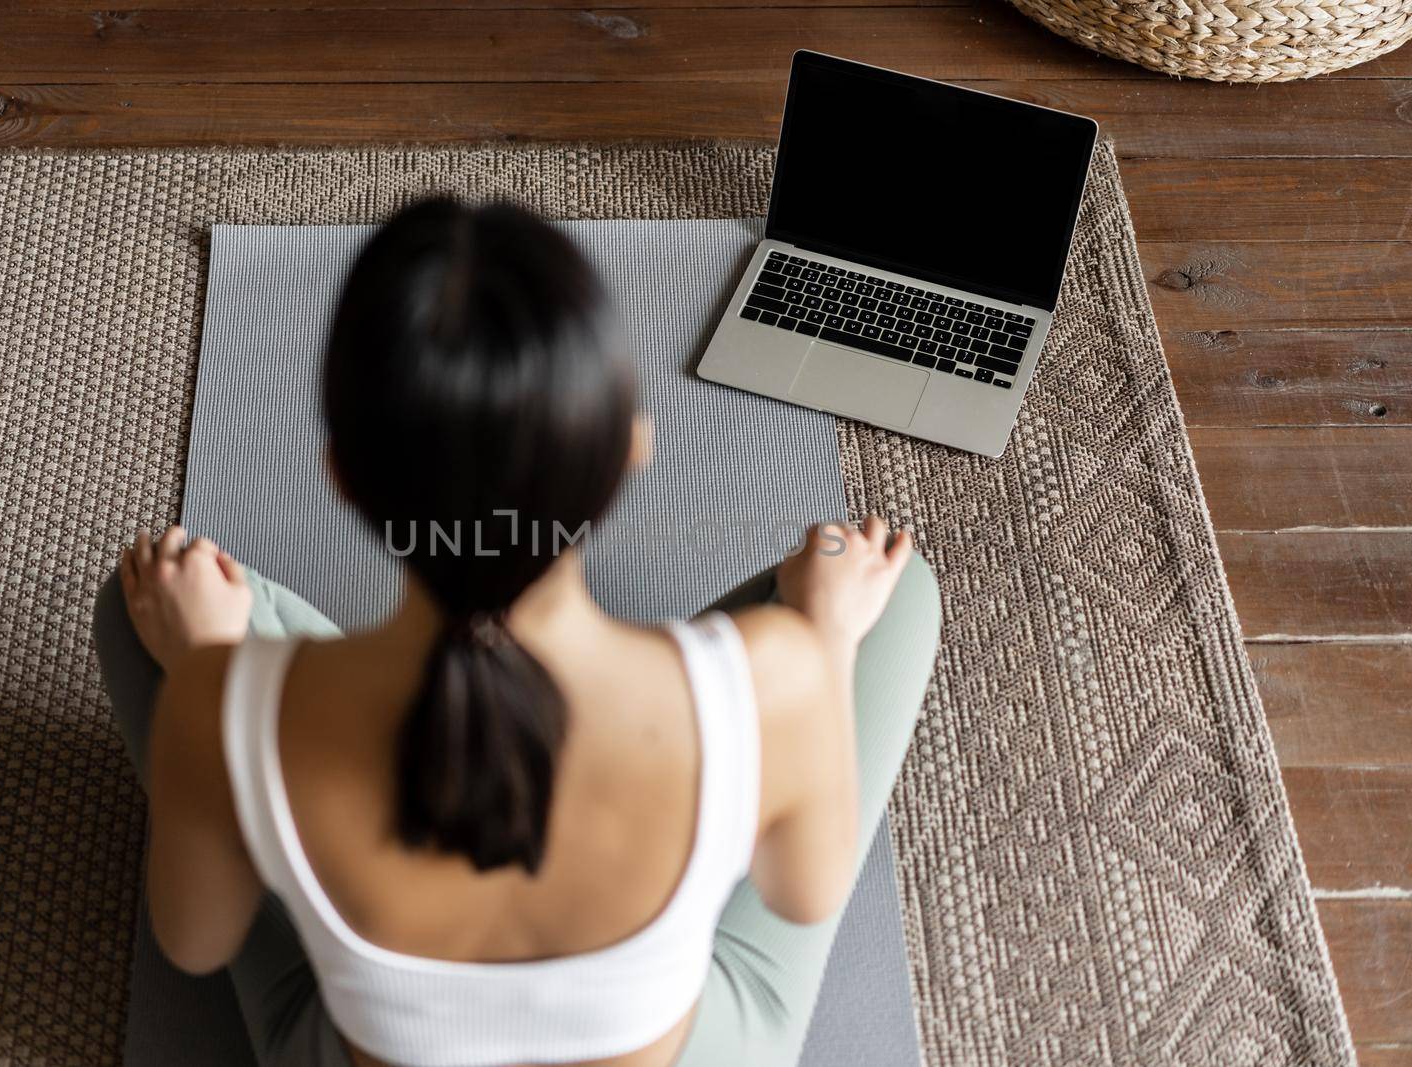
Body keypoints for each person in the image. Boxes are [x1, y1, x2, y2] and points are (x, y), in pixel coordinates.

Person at [93, 198, 940, 1067]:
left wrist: (215, 671)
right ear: (625, 455)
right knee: (892, 585)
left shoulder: (216, 698)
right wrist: (824, 638)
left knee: (148, 600)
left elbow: (196, 939)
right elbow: (805, 891)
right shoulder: (777, 676)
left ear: (342, 476)